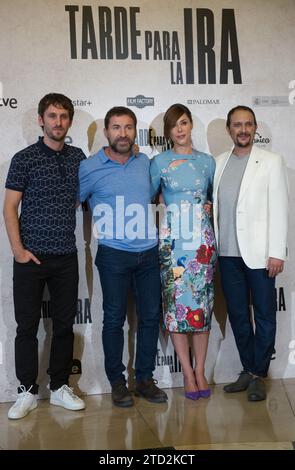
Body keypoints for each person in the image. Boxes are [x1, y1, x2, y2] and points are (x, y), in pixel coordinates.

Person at [3, 93, 86, 419]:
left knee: (64, 326)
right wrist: (18, 250)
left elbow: (93, 196)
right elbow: (9, 207)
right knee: (26, 327)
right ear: (41, 120)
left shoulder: (79, 157)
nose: (58, 122)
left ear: (69, 121)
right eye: (52, 116)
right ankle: (25, 391)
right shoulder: (24, 158)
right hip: (30, 259)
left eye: (64, 116)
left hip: (66, 256)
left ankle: (60, 387)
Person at [79, 106, 167, 407]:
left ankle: (143, 378)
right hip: (114, 256)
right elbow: (72, 202)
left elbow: (157, 194)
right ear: (106, 132)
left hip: (149, 253)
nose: (123, 133)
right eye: (116, 127)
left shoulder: (145, 162)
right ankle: (117, 382)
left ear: (134, 132)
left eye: (128, 127)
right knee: (114, 320)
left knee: (150, 317)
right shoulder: (90, 167)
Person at [213, 105, 288, 401]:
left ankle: (259, 374)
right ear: (229, 129)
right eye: (237, 125)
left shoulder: (270, 161)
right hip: (227, 255)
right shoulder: (218, 163)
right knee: (238, 315)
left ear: (255, 128)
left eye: (248, 124)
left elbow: (280, 208)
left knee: (265, 316)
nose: (243, 130)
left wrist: (276, 252)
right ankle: (248, 368)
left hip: (260, 255)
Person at [150, 104, 217, 400]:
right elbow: (147, 198)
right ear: (168, 131)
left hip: (202, 243)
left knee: (201, 307)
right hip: (173, 244)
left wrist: (209, 207)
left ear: (191, 126)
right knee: (177, 310)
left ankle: (201, 369)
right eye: (174, 125)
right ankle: (187, 373)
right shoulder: (159, 162)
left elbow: (215, 199)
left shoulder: (207, 162)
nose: (180, 129)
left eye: (184, 122)